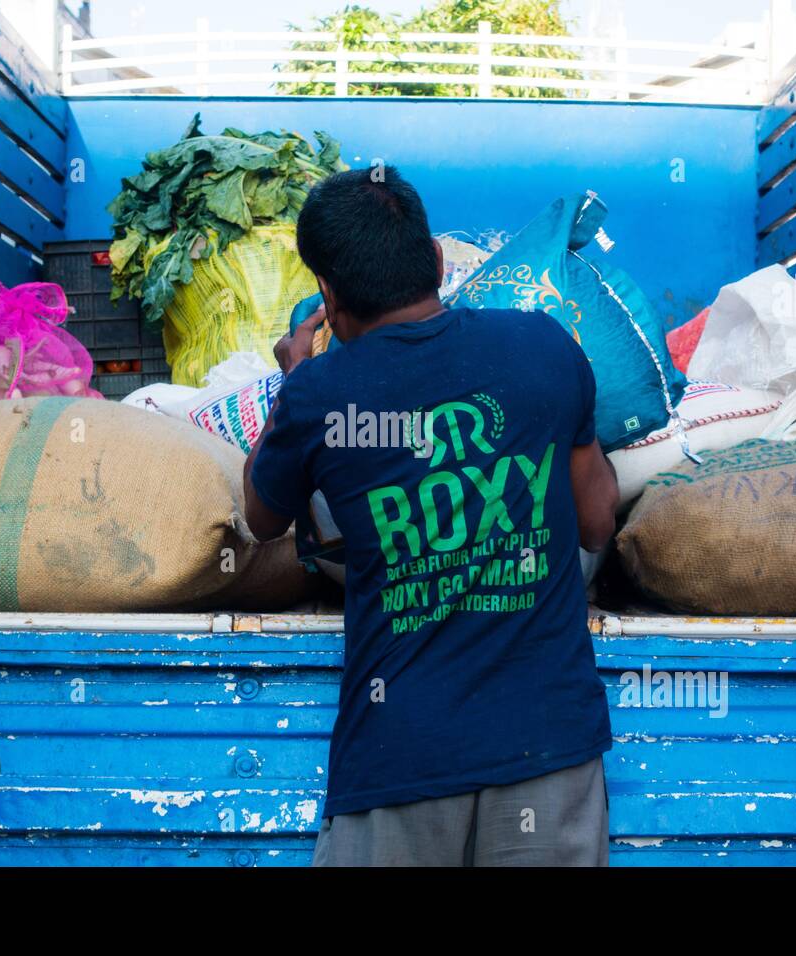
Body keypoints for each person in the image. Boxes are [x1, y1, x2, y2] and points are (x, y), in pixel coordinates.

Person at [243, 167, 619, 866]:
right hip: (550, 748)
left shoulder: (320, 393)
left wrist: (295, 378)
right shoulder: (543, 345)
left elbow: (261, 518)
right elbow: (598, 522)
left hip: (399, 761)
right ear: (440, 264)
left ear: (329, 296)